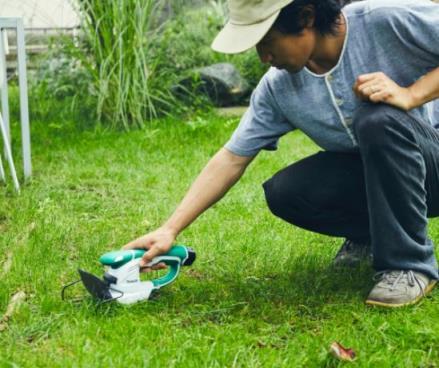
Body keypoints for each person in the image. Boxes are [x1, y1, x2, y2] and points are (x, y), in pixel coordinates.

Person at [124, 0, 439, 307]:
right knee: (287, 192)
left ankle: (410, 265)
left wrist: (412, 94)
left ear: (305, 18)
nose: (263, 56)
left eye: (267, 42)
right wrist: (170, 229)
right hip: (386, 178)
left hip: (432, 165)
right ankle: (369, 237)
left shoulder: (382, 19)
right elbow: (232, 157)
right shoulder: (279, 88)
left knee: (378, 119)